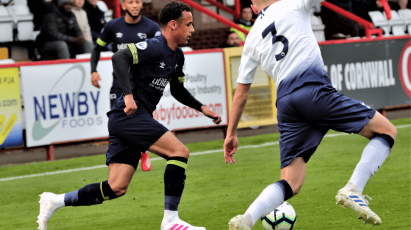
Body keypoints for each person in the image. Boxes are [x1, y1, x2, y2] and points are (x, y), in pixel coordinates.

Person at [36, 2, 222, 230]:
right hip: (128, 115)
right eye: (189, 24)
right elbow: (119, 57)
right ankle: (171, 221)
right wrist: (129, 95)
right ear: (174, 25)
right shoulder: (155, 46)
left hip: (126, 120)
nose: (193, 30)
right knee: (179, 152)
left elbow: (177, 90)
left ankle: (55, 200)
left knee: (116, 187)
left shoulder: (178, 56)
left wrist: (202, 108)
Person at [223, 0, 397, 229]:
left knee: (291, 182)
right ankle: (353, 189)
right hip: (312, 90)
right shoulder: (293, 3)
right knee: (387, 130)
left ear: (254, 8)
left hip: (286, 103)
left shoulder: (251, 39)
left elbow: (241, 94)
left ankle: (246, 219)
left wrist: (231, 133)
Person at [90, 0, 161, 171]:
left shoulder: (151, 28)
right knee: (115, 120)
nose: (135, 5)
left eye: (137, 1)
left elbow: (160, 51)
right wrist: (93, 70)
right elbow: (96, 49)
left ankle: (143, 152)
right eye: (130, 2)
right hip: (119, 83)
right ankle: (116, 155)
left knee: (142, 120)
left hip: (142, 85)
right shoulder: (112, 26)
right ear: (123, 6)